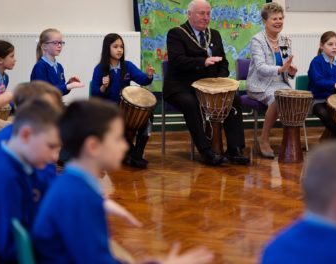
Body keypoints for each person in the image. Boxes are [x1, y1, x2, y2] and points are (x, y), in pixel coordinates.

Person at [32, 99, 214, 264]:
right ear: (93, 146)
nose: (125, 146)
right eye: (118, 139)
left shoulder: (71, 185)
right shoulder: (78, 198)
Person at [163, 0, 249, 166]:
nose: (206, 17)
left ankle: (235, 149)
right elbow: (177, 60)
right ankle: (206, 151)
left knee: (234, 99)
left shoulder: (214, 34)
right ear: (189, 14)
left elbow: (223, 63)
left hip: (210, 87)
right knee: (191, 103)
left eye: (208, 13)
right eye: (201, 13)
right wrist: (203, 62)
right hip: (181, 87)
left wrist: (221, 80)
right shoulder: (176, 33)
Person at [0, 99, 62, 263]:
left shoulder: (23, 161)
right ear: (26, 134)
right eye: (51, 146)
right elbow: (10, 248)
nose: (55, 157)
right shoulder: (3, 177)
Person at [91, 33, 155, 169]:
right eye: (115, 46)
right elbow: (95, 94)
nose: (119, 50)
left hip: (125, 109)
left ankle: (137, 153)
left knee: (148, 116)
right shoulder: (100, 69)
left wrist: (149, 75)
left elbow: (143, 79)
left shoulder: (128, 66)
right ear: (107, 49)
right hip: (109, 110)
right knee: (117, 124)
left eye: (121, 47)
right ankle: (133, 155)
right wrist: (103, 86)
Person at [246, 2, 297, 158]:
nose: (278, 21)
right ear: (264, 21)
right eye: (274, 18)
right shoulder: (257, 40)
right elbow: (260, 67)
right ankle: (264, 138)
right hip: (259, 84)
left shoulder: (285, 40)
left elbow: (286, 67)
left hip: (280, 83)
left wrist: (290, 71)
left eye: (281, 18)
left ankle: (289, 141)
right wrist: (280, 69)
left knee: (294, 98)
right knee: (278, 98)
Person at [30, 28, 84, 95]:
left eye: (61, 43)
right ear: (44, 46)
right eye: (55, 43)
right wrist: (67, 86)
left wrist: (69, 84)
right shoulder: (40, 66)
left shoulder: (59, 66)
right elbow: (44, 91)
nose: (59, 45)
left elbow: (60, 92)